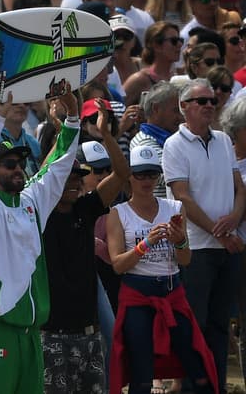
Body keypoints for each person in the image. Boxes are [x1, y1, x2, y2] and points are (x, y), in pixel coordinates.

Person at [0, 88, 82, 394]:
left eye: (20, 163)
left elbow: (57, 168)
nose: (18, 169)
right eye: (8, 164)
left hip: (31, 333)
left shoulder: (31, 203)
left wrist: (72, 118)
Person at [107, 145, 216, 393]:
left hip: (171, 292)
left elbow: (185, 259)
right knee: (142, 371)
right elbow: (117, 264)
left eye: (152, 174)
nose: (147, 181)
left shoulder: (174, 208)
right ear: (130, 177)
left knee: (195, 361)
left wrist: (180, 240)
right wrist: (146, 244)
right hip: (138, 294)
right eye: (141, 174)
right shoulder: (119, 213)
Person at [40, 99, 129, 394]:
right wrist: (62, 128)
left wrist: (107, 135)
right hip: (52, 334)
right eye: (66, 176)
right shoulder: (41, 211)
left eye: (78, 177)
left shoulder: (86, 208)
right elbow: (40, 178)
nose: (74, 182)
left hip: (87, 332)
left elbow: (121, 174)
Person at [162, 78, 246, 392]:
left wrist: (235, 219)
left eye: (212, 100)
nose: (210, 105)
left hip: (227, 245)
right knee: (195, 324)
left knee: (220, 325)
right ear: (184, 107)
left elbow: (239, 188)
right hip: (197, 249)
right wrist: (221, 232)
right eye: (202, 101)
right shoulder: (174, 144)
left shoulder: (224, 139)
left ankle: (216, 387)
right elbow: (182, 197)